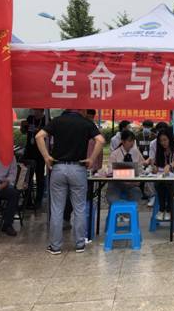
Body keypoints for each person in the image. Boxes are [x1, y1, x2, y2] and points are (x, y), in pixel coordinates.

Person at [36, 109, 105, 255]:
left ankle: (55, 246)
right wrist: (92, 159)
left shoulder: (57, 121)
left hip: (58, 168)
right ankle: (80, 244)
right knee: (79, 208)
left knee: (57, 209)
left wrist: (46, 157)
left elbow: (39, 136)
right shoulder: (86, 123)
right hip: (78, 168)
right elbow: (101, 140)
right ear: (81, 111)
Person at [153, 128, 174, 221]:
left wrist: (170, 166)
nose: (163, 143)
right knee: (159, 185)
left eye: (165, 140)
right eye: (161, 141)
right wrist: (154, 168)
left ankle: (167, 210)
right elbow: (156, 166)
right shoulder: (159, 152)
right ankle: (162, 209)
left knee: (169, 186)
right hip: (162, 179)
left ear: (170, 139)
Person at [106, 130, 144, 205]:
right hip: (116, 185)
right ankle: (118, 211)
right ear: (123, 141)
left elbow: (141, 168)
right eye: (129, 141)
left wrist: (138, 179)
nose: (132, 143)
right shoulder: (115, 154)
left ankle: (130, 211)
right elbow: (110, 172)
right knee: (113, 200)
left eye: (133, 141)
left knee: (137, 194)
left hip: (132, 185)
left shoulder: (136, 152)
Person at [20, 108, 46, 207]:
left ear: (41, 110)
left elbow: (49, 134)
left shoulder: (46, 120)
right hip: (29, 152)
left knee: (40, 177)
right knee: (27, 177)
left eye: (36, 110)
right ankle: (28, 200)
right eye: (33, 110)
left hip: (40, 153)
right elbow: (23, 131)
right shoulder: (30, 118)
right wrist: (22, 126)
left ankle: (38, 200)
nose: (34, 112)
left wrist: (37, 130)